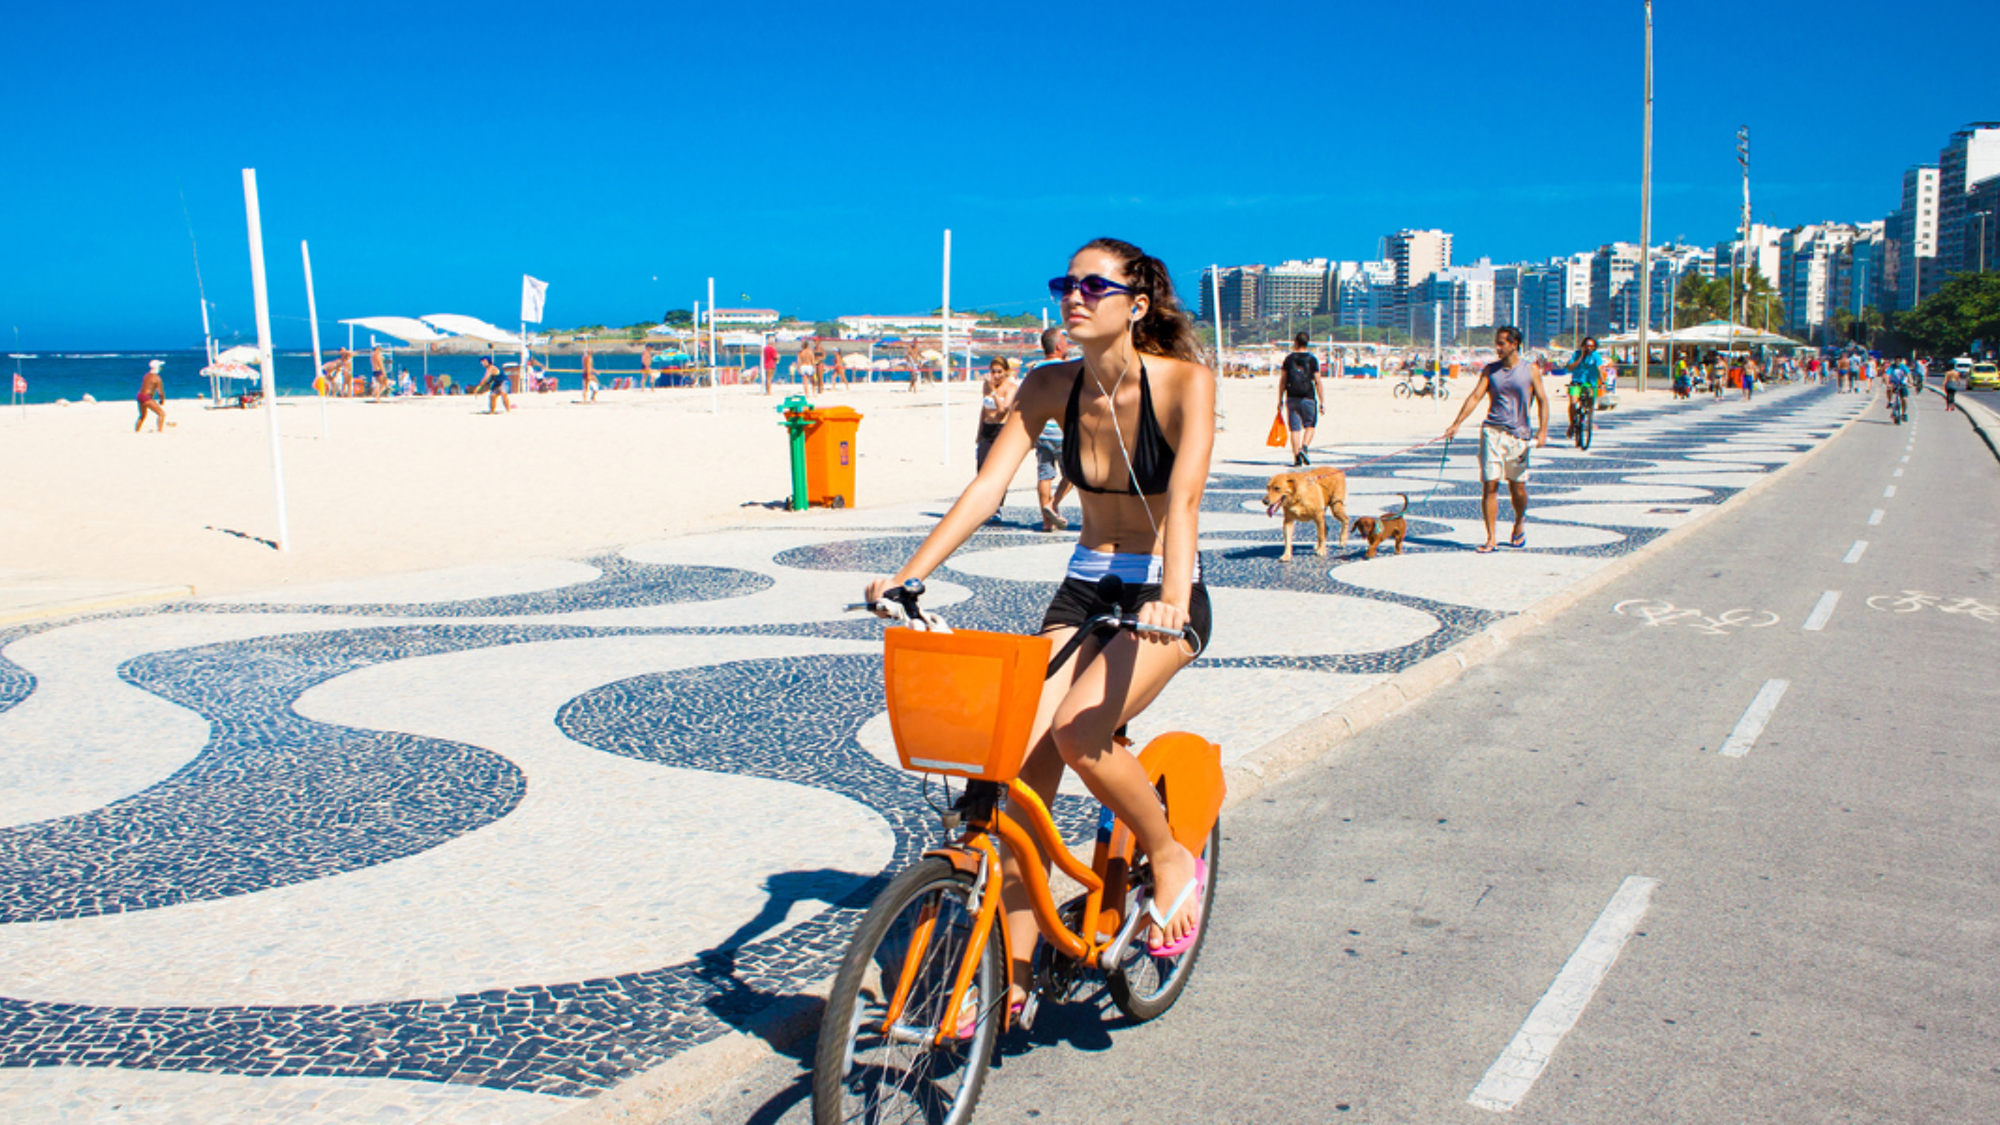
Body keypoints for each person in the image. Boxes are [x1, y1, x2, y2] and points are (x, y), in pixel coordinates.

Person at [863, 238, 1217, 1001]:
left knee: (1080, 729)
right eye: (1067, 282)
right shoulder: (1049, 383)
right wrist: (910, 575)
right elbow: (988, 487)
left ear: (1139, 303)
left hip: (1162, 588)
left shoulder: (1186, 382)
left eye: (1096, 284)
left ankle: (1168, 855)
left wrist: (1173, 598)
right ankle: (1013, 980)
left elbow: (1183, 500)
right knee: (1020, 766)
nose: (1075, 295)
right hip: (1086, 589)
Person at [1443, 326, 1548, 553]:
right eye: (1497, 343)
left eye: (1502, 343)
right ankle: (1491, 538)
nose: (1497, 348)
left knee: (1517, 488)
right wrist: (1456, 423)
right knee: (1490, 485)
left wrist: (1542, 431)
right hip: (1492, 431)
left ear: (1514, 344)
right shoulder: (1490, 370)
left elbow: (1542, 400)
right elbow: (1475, 397)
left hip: (1518, 435)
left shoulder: (1530, 370)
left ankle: (1519, 522)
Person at [1031, 327, 1075, 531]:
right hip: (1062, 431)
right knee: (1074, 472)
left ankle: (1046, 522)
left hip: (1042, 431)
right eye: (1064, 341)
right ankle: (1053, 504)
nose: (1067, 345)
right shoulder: (1066, 369)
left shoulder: (1035, 369)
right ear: (1058, 346)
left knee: (1044, 475)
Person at [1278, 331, 1324, 466]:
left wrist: (1280, 399)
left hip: (1291, 396)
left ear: (1295, 342)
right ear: (1307, 343)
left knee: (1294, 428)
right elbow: (1318, 381)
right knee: (1310, 425)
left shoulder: (1289, 359)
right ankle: (1304, 447)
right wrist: (1322, 401)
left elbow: (1283, 380)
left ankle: (1296, 457)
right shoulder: (1312, 359)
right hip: (1308, 396)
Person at [976, 357, 1017, 472]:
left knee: (999, 469)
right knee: (982, 467)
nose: (996, 375)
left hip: (1001, 429)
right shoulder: (986, 386)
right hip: (987, 428)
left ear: (1006, 372)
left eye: (999, 372)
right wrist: (979, 433)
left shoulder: (1011, 388)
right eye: (993, 372)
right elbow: (984, 410)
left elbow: (1002, 410)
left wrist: (994, 392)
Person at [1563, 337, 1602, 441]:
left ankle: (1589, 419)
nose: (1588, 348)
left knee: (1590, 400)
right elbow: (1570, 367)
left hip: (1590, 383)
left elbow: (1600, 369)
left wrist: (1603, 382)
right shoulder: (1576, 354)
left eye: (1591, 346)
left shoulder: (1596, 356)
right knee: (1573, 402)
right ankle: (1572, 424)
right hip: (1577, 382)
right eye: (1586, 346)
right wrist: (1581, 357)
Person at [135, 359, 167, 433]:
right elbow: (161, 392)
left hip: (140, 395)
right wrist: (162, 400)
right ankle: (159, 431)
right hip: (146, 397)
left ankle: (136, 431)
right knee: (161, 413)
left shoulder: (146, 375)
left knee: (142, 415)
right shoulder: (157, 378)